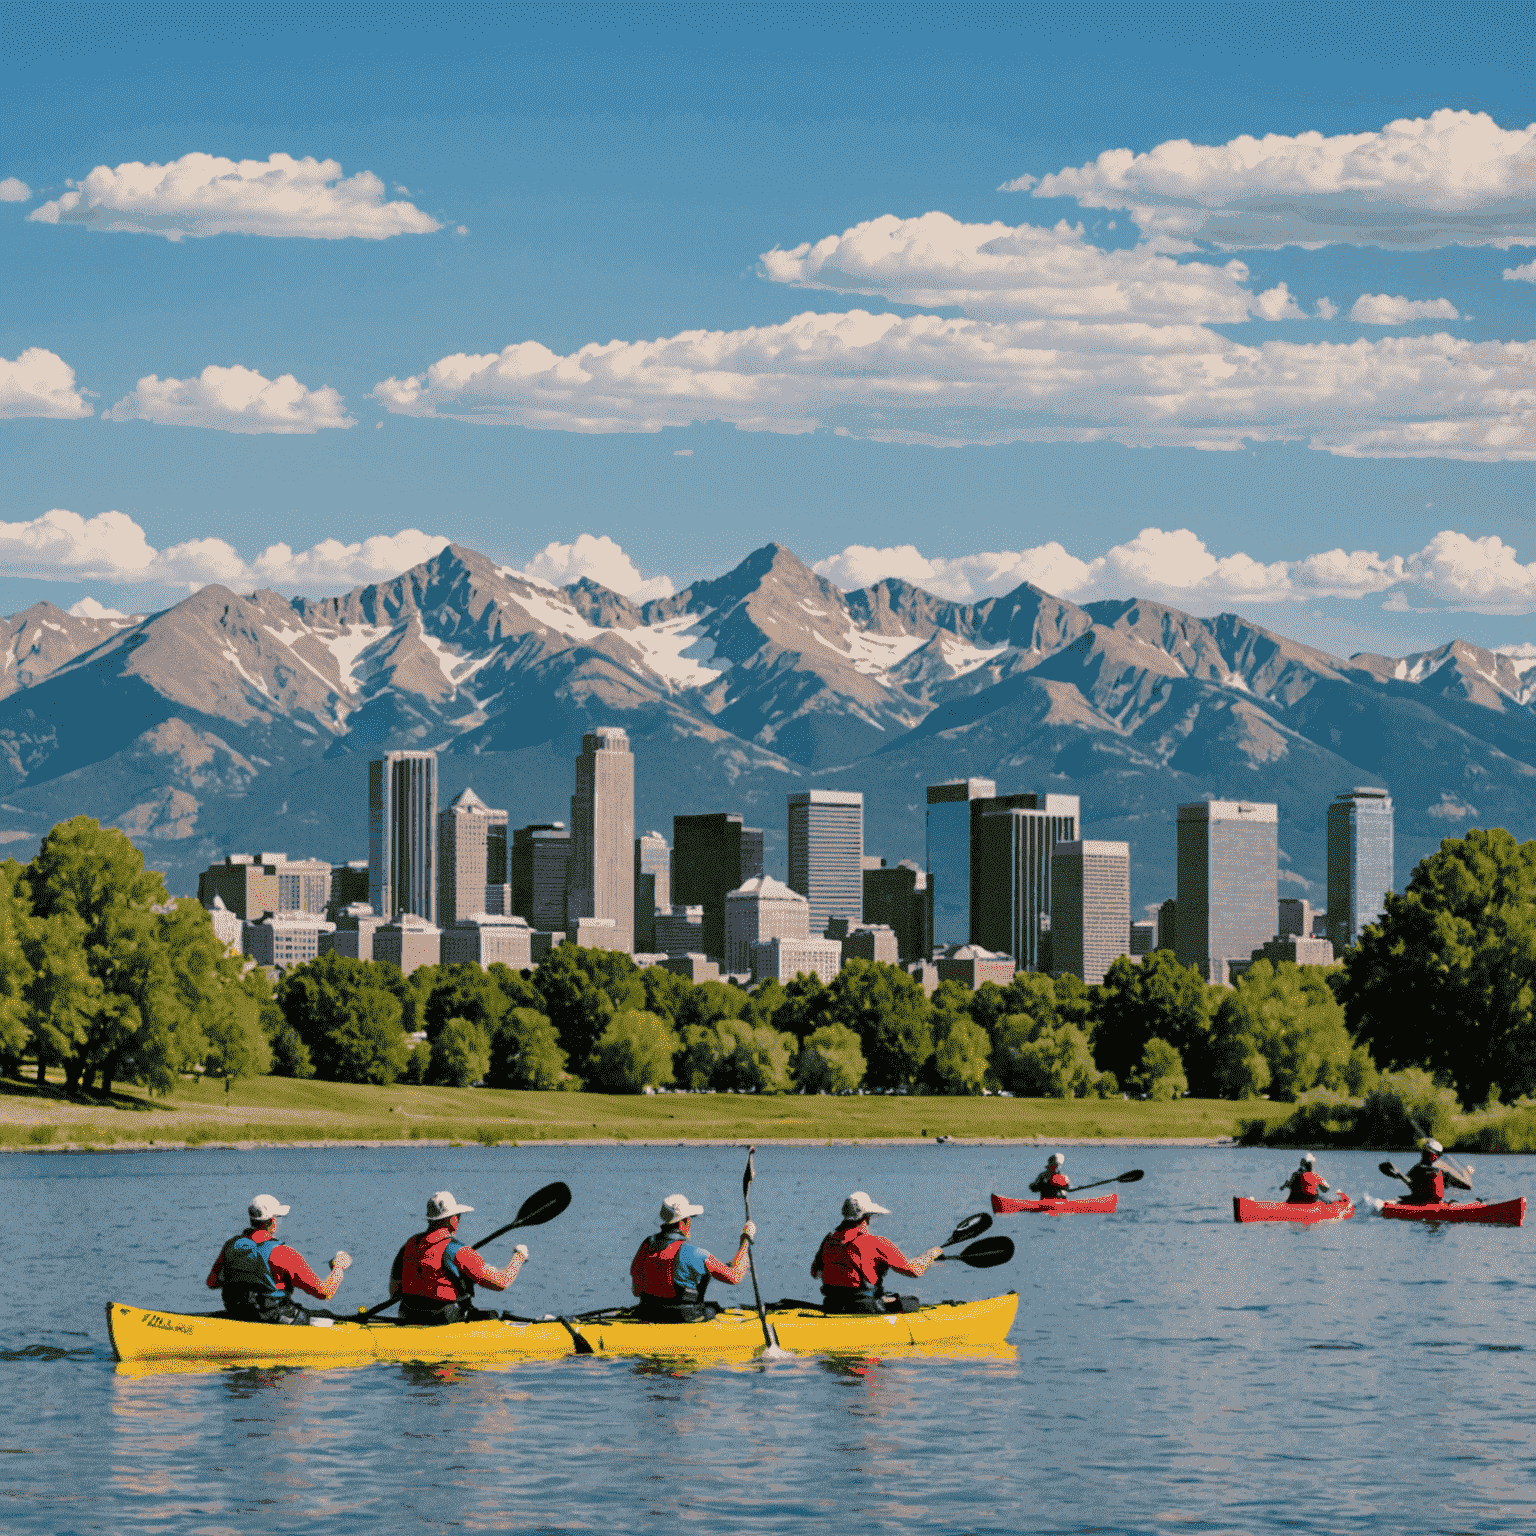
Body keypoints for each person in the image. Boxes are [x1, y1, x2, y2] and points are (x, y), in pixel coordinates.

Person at [206, 1193, 352, 1324]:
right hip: (272, 1318)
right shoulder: (283, 1254)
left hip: (237, 1313)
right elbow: (324, 1292)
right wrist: (338, 1267)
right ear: (273, 1222)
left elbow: (212, 1282)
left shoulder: (231, 1246)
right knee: (326, 1316)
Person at [390, 1191, 529, 1325]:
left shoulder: (410, 1245)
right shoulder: (458, 1251)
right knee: (493, 1315)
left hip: (407, 1315)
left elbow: (394, 1291)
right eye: (458, 1216)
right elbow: (501, 1282)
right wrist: (519, 1256)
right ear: (453, 1220)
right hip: (443, 1319)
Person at [811, 1191, 943, 1315]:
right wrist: (931, 1255)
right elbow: (914, 1271)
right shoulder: (877, 1243)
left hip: (832, 1304)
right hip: (864, 1307)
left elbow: (815, 1273)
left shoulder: (829, 1239)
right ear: (867, 1218)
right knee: (912, 1302)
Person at [630, 1193, 754, 1322]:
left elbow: (636, 1290)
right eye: (690, 1219)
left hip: (647, 1312)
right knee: (713, 1309)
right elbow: (735, 1276)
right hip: (685, 1317)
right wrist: (746, 1240)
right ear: (684, 1222)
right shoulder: (696, 1254)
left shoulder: (646, 1245)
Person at [1404, 1139, 1473, 1204]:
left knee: (1398, 1199)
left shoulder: (1415, 1170)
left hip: (1418, 1202)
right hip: (1431, 1204)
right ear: (1435, 1156)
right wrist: (1466, 1172)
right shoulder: (1442, 1172)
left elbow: (1409, 1183)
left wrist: (1398, 1175)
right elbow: (1467, 1186)